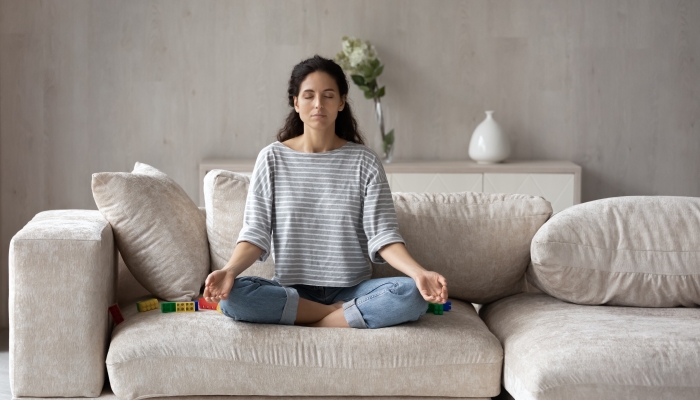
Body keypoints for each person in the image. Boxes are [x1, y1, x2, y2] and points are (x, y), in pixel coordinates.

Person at [203, 54, 448, 329]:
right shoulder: (271, 158)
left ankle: (311, 319)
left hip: (352, 290)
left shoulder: (364, 161)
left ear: (342, 102)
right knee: (233, 297)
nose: (318, 104)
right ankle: (341, 315)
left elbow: (383, 236)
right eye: (308, 95)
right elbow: (255, 234)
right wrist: (229, 271)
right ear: (295, 103)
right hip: (293, 291)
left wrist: (419, 273)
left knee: (411, 295)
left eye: (328, 95)